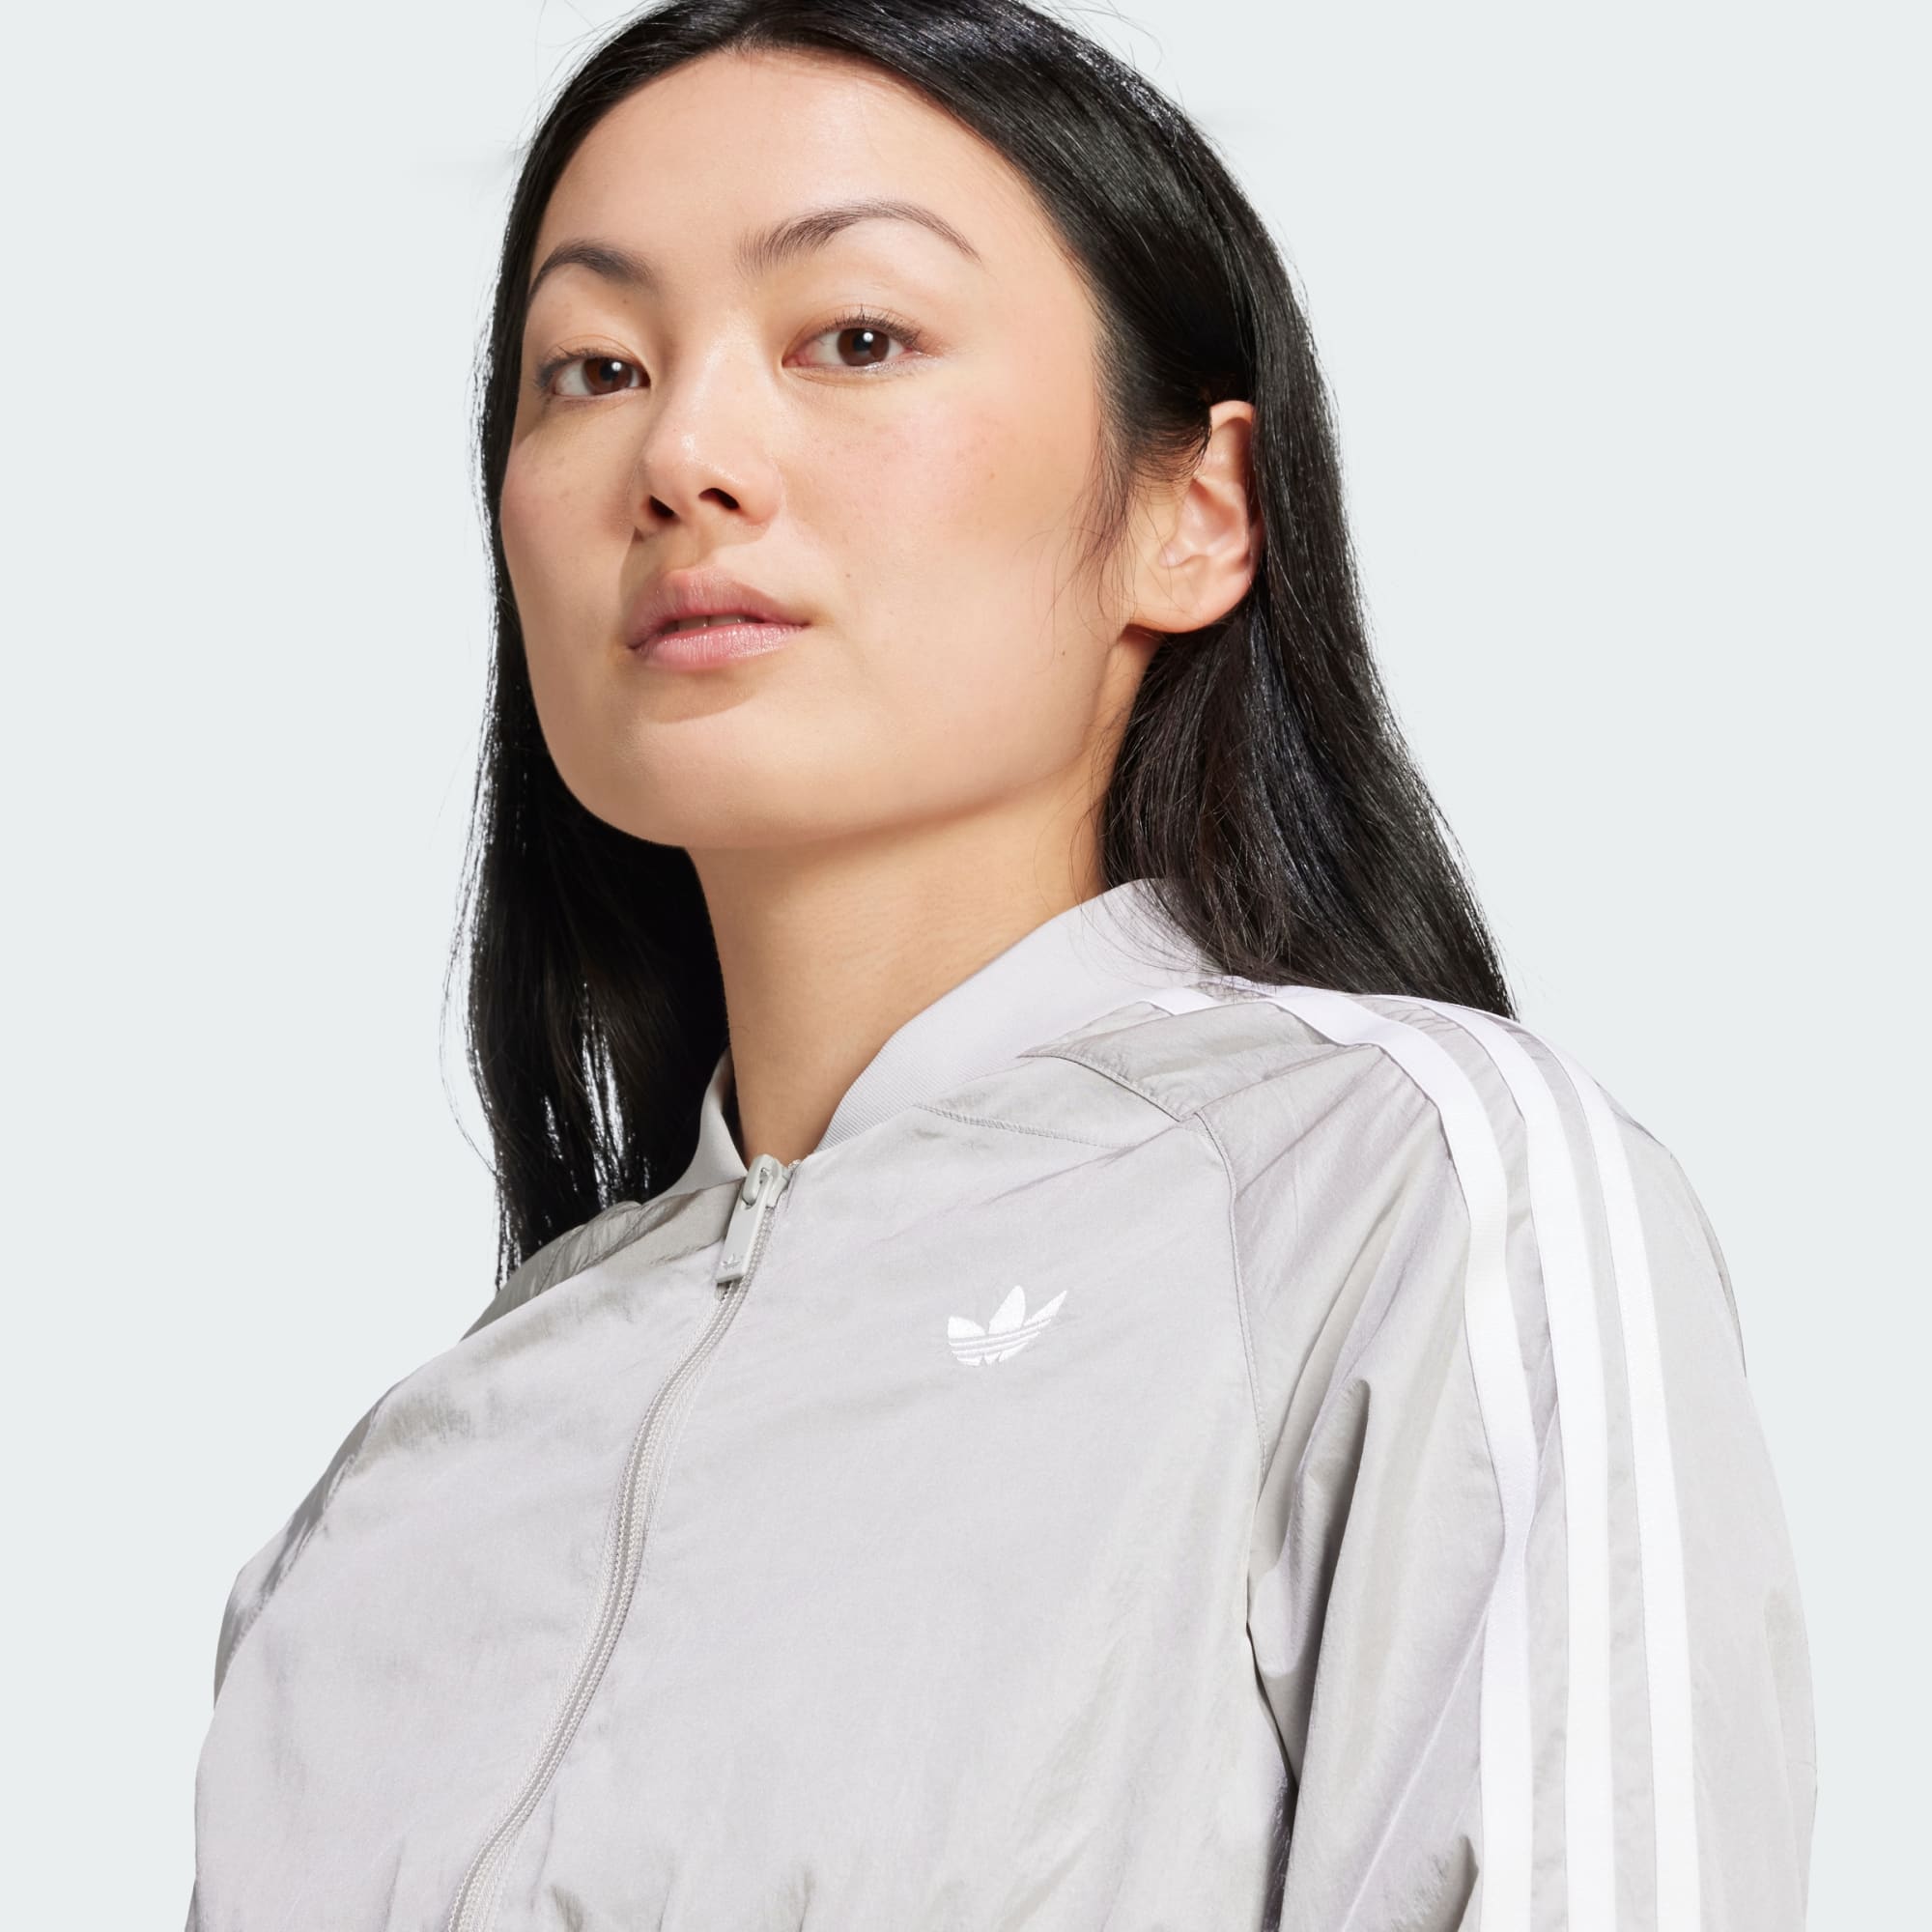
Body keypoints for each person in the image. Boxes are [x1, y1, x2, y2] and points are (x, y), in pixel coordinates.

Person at [183, 2, 1816, 1926]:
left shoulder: (1405, 1199)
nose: (684, 453)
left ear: (1195, 511)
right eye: (593, 368)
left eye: (856, 338)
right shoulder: (406, 1493)